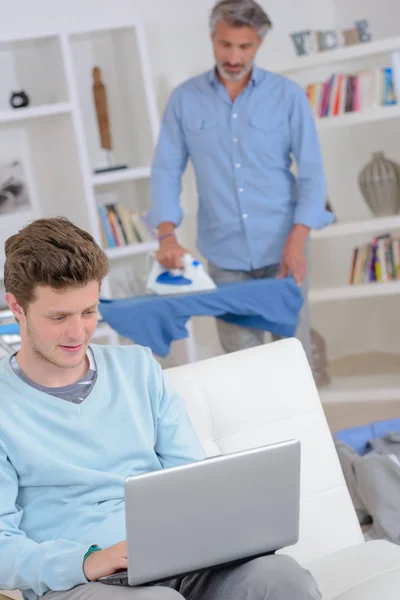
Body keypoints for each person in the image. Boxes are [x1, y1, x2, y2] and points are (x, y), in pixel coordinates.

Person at [0, 216, 321, 600]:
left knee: (281, 577)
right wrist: (86, 561)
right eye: (58, 317)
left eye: (88, 312)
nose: (77, 333)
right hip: (82, 582)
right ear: (16, 307)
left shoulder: (138, 369)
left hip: (181, 561)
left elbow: (192, 481)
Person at [148, 0, 333, 367]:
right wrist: (166, 236)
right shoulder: (185, 100)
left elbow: (312, 174)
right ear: (212, 38)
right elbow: (166, 170)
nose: (233, 56)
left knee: (292, 358)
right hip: (225, 255)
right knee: (241, 367)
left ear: (258, 44)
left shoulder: (287, 97)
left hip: (284, 250)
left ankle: (298, 427)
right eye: (225, 45)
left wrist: (297, 244)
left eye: (244, 46)